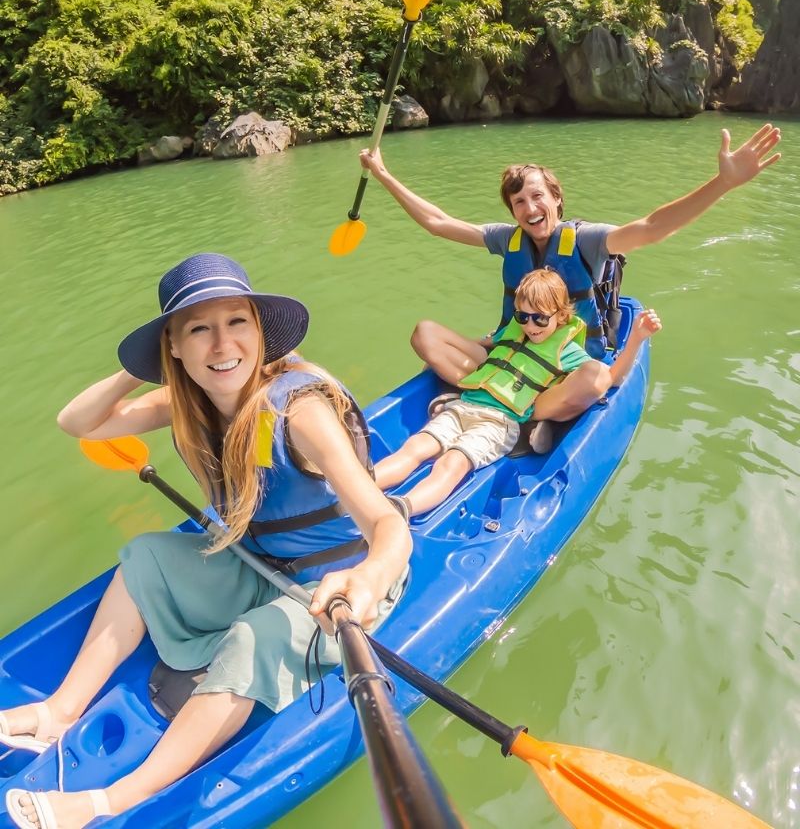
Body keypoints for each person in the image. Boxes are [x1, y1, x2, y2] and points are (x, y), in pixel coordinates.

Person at [1, 253, 411, 829]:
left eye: (237, 322)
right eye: (199, 329)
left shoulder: (301, 413)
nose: (222, 345)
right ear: (174, 345)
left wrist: (368, 579)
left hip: (338, 586)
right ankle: (58, 712)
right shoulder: (187, 402)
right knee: (144, 556)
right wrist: (143, 365)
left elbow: (388, 526)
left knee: (252, 639)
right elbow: (78, 423)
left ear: (259, 331)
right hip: (260, 564)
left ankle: (114, 800)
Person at [359, 123, 780, 387]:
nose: (530, 208)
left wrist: (722, 184)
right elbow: (437, 222)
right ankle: (490, 388)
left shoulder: (586, 241)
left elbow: (652, 228)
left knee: (592, 382)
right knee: (425, 336)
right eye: (519, 202)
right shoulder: (508, 239)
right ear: (512, 211)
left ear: (556, 199)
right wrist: (383, 174)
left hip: (567, 365)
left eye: (537, 196)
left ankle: (520, 401)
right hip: (515, 351)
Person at [375, 269, 662, 518]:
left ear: (561, 316)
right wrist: (443, 360)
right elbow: (487, 346)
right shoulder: (514, 333)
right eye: (522, 316)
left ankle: (401, 507)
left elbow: (612, 378)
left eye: (540, 319)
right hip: (464, 405)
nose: (530, 325)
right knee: (415, 447)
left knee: (453, 462)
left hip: (500, 422)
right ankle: (364, 487)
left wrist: (637, 338)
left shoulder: (567, 351)